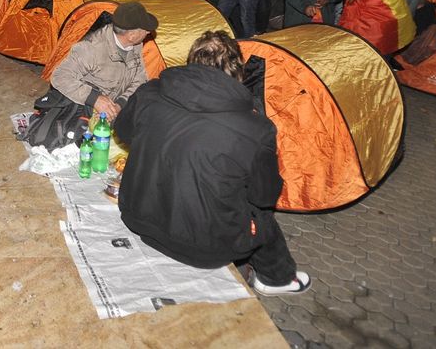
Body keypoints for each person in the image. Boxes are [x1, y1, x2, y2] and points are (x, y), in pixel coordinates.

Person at [116, 30, 311, 296]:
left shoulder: (149, 92)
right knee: (261, 213)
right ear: (238, 71)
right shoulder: (256, 128)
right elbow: (264, 196)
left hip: (138, 217)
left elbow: (124, 132)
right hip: (205, 248)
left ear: (191, 61)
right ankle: (275, 278)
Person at [49, 1, 156, 120]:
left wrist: (120, 104)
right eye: (145, 30)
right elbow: (60, 77)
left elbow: (139, 79)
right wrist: (95, 99)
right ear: (132, 35)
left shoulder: (135, 46)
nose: (148, 32)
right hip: (85, 110)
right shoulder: (91, 48)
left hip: (114, 108)